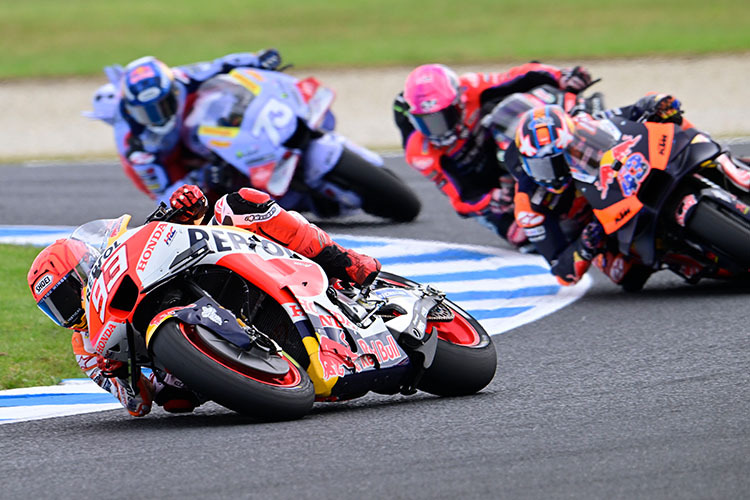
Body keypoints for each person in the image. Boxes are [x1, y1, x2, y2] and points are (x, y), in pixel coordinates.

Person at [27, 185, 381, 417]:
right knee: (174, 400)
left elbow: (183, 224)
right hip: (188, 372)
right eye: (55, 307)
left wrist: (183, 209)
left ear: (85, 267)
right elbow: (139, 405)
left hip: (211, 275)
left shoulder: (120, 257)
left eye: (67, 293)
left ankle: (343, 260)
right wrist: (122, 378)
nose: (69, 309)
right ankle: (251, 366)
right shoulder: (86, 348)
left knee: (239, 203)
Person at [501, 93, 722, 286]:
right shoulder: (529, 208)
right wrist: (585, 245)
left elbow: (629, 114)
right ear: (526, 164)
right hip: (599, 226)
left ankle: (722, 159)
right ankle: (694, 262)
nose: (551, 170)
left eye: (559, 158)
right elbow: (562, 271)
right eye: (541, 164)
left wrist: (655, 104)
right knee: (625, 273)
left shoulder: (583, 125)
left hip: (623, 181)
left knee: (672, 125)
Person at [392, 62, 595, 249]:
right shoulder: (420, 152)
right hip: (483, 185)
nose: (436, 130)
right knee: (524, 238)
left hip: (499, 146)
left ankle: (577, 131)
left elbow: (520, 75)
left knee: (513, 107)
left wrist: (562, 76)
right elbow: (460, 199)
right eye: (425, 122)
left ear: (458, 103)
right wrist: (490, 199)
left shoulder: (471, 86)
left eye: (441, 119)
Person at [102, 50, 284, 205]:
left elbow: (220, 65)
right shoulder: (135, 146)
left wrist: (258, 59)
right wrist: (204, 181)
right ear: (130, 109)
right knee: (191, 207)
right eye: (146, 113)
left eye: (162, 106)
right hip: (167, 160)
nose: (158, 117)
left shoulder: (182, 79)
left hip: (186, 128)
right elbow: (165, 198)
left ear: (173, 90)